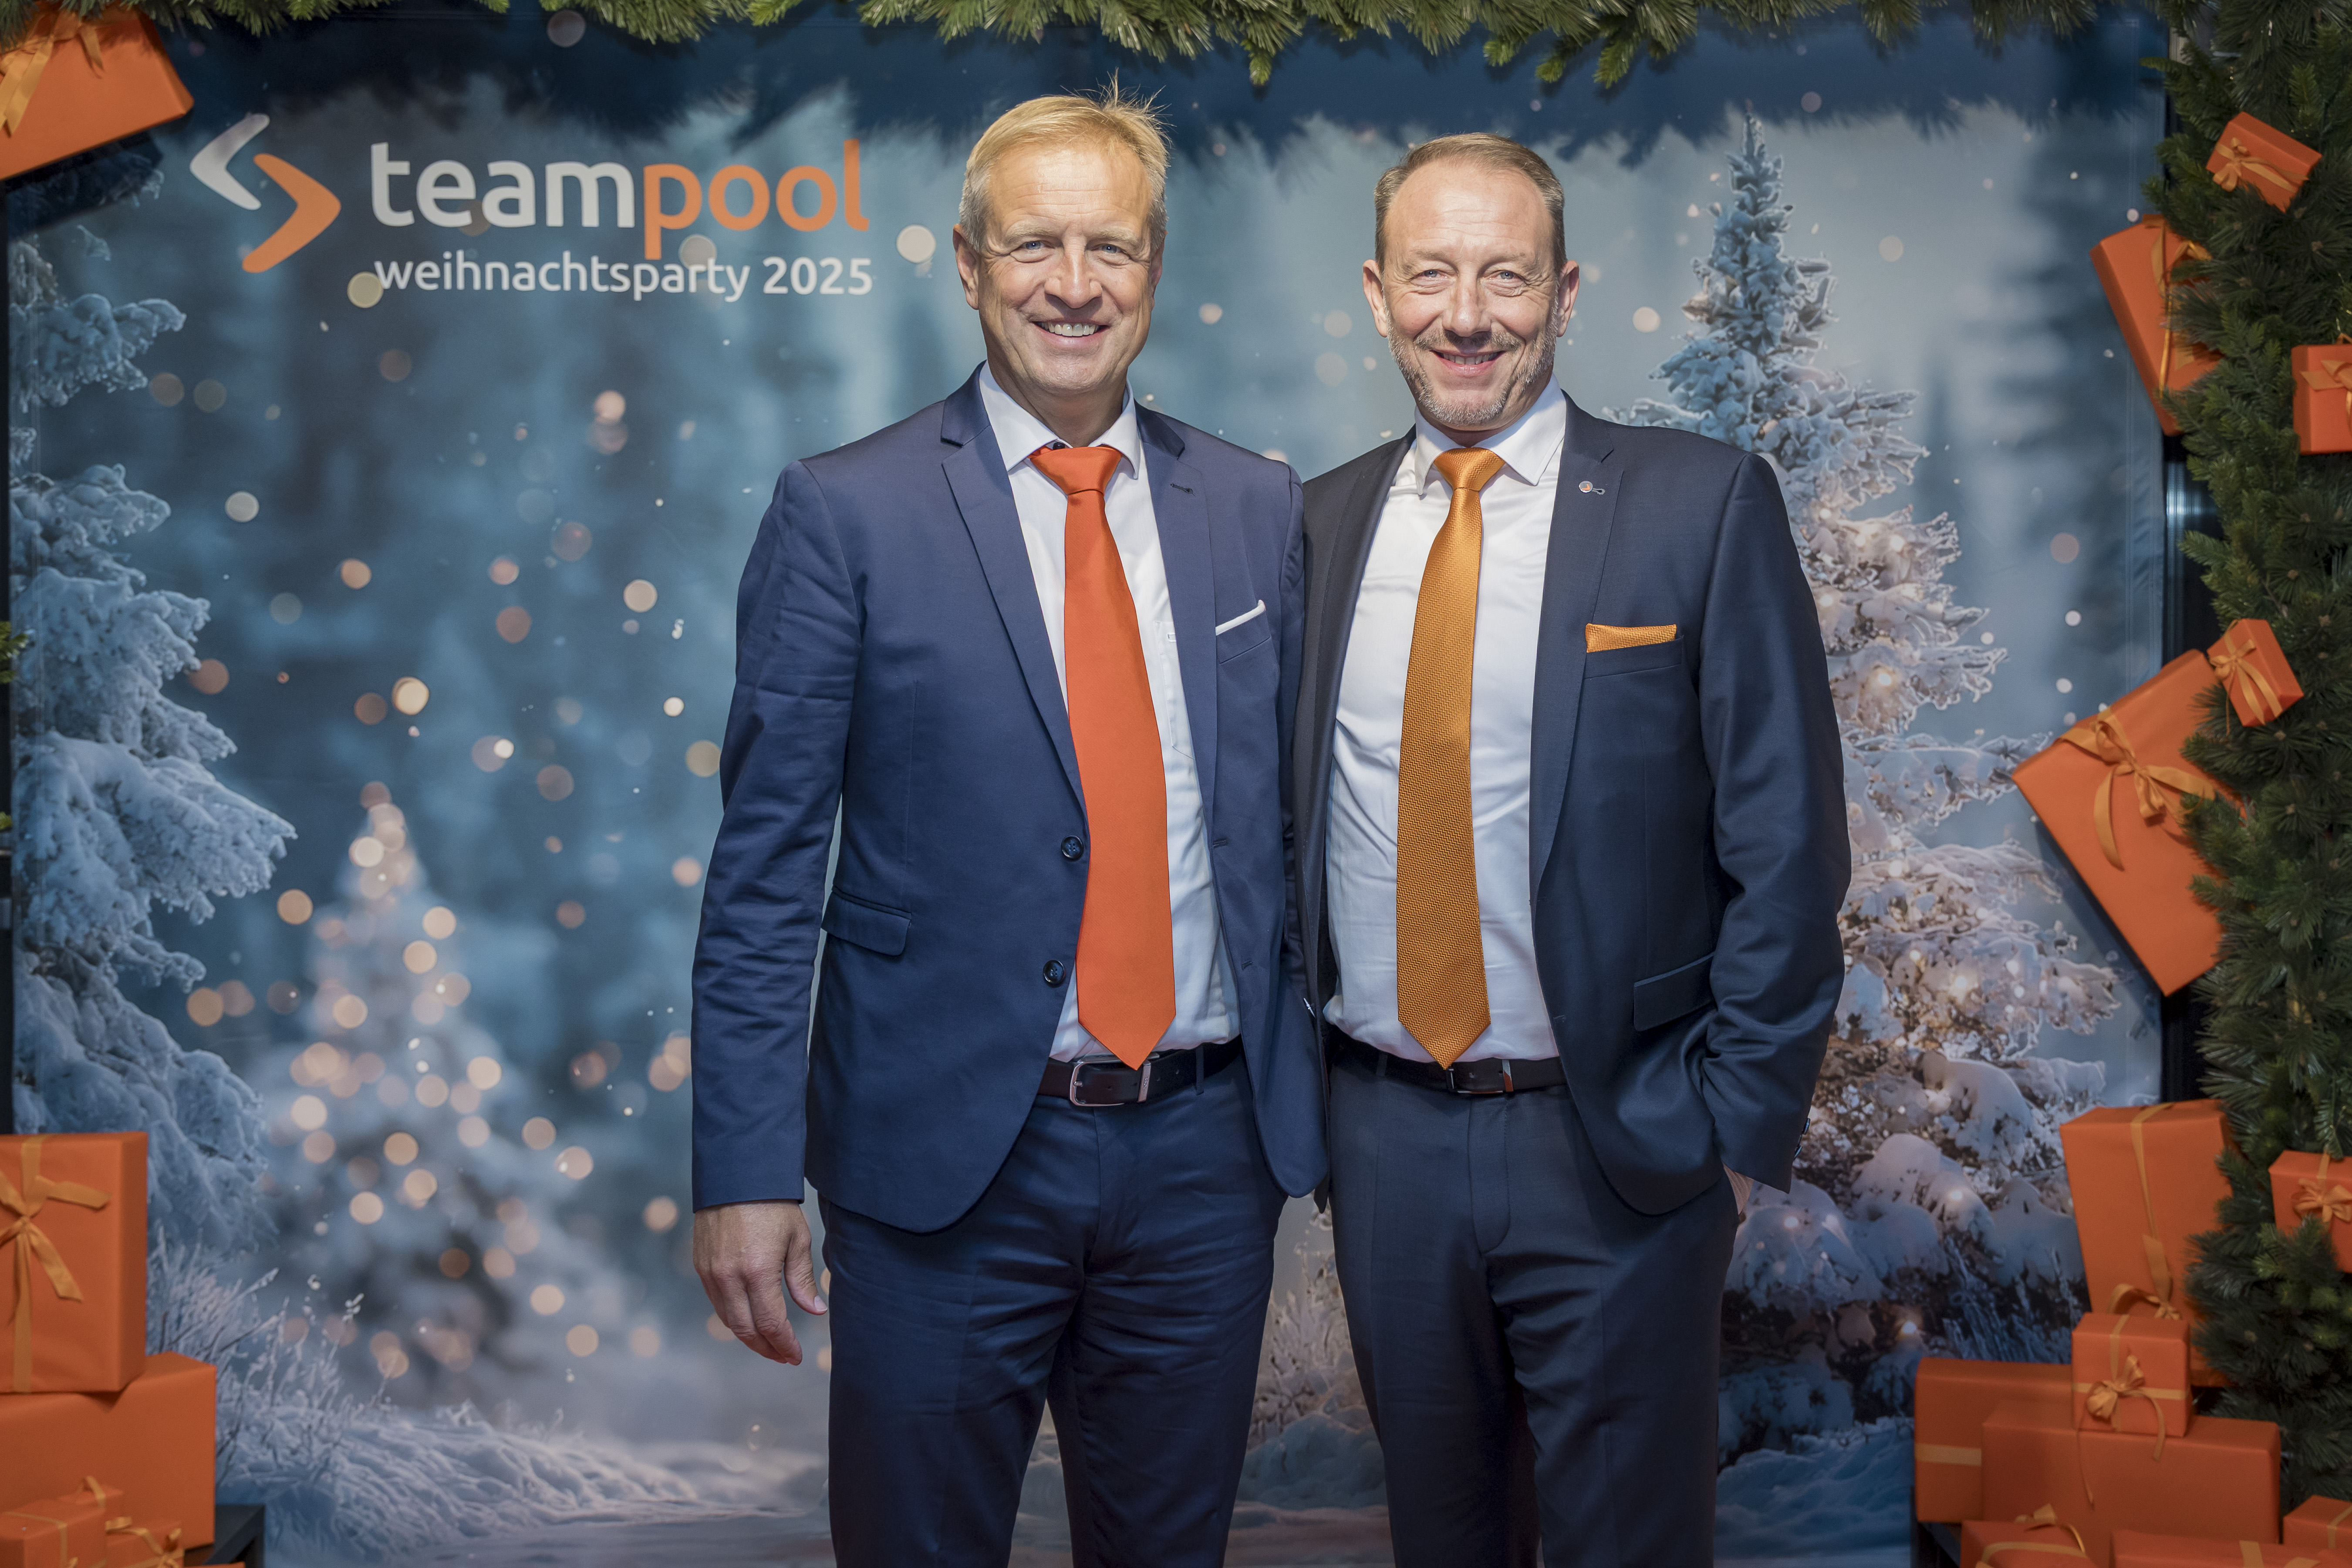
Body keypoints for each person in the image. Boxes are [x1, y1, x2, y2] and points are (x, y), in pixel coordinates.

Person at [687, 86, 1324, 1568]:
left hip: (1204, 1157)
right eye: (1034, 244)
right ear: (968, 264)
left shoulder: (1254, 507)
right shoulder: (844, 513)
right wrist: (742, 1169)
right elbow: (763, 877)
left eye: (1111, 246)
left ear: (1154, 268)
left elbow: (1300, 836)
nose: (1073, 283)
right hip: (944, 1160)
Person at [1293, 132, 1847, 1567]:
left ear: (1565, 290)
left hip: (1618, 1145)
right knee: (1443, 1539)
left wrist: (1730, 1136)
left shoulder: (1697, 503)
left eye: (1506, 275)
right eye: (1430, 274)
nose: (1465, 314)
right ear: (1377, 292)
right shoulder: (1317, 526)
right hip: (1384, 1139)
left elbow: (1787, 842)